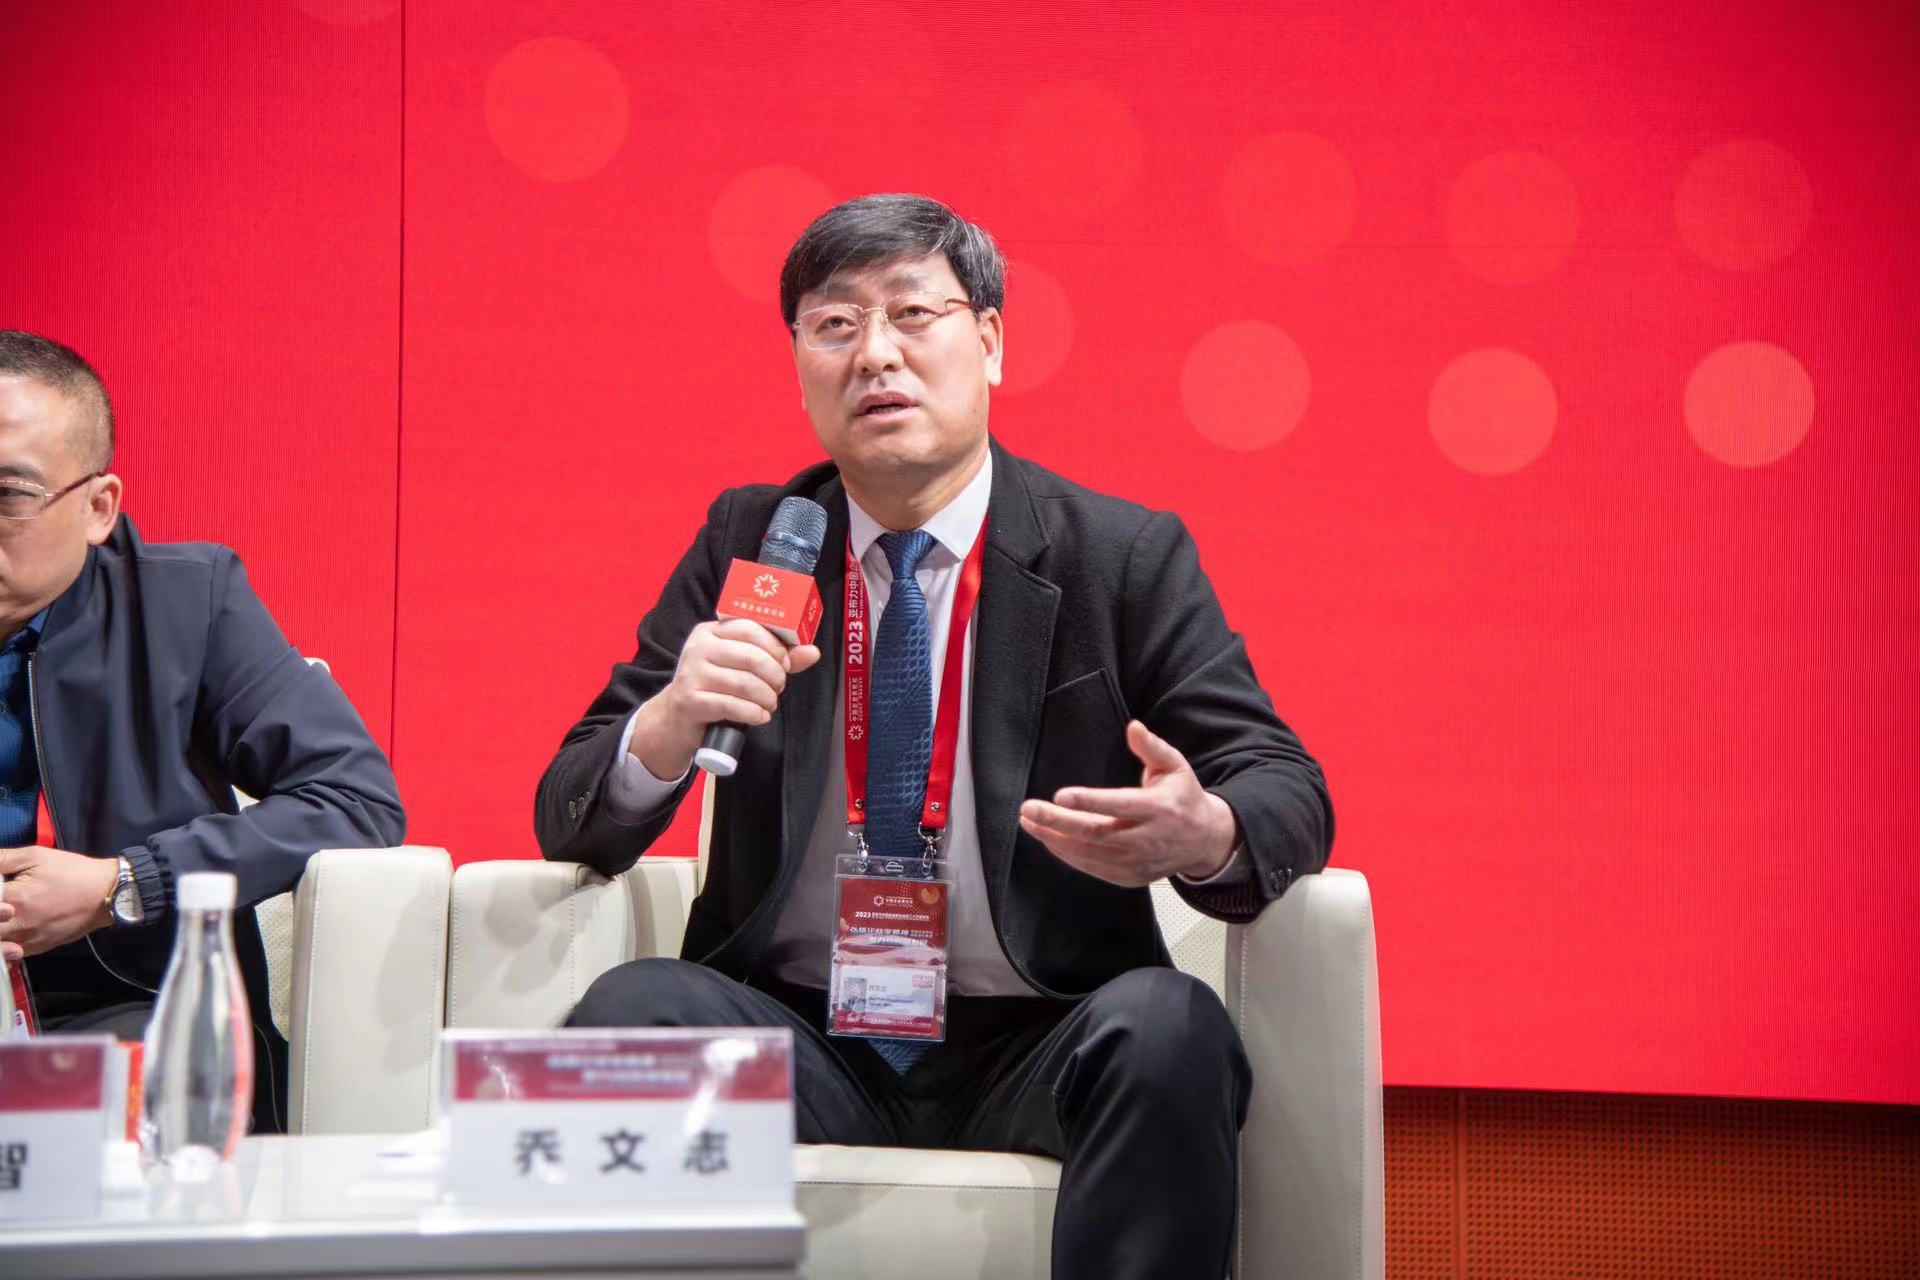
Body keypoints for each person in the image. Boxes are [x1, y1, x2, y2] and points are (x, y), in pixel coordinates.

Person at [535, 195, 1333, 1278]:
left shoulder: (1118, 555)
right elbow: (572, 807)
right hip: (800, 1035)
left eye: (913, 314)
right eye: (835, 324)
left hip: (1037, 1033)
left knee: (1170, 1026)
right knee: (633, 1012)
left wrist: (1206, 832)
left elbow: (1285, 786)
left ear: (991, 342)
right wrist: (670, 721)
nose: (876, 355)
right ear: (800, 363)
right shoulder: (756, 539)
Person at [0, 330, 406, 1131]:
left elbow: (354, 801)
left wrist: (123, 884)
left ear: (98, 507)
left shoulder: (187, 606)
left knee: (149, 1092)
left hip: (128, 1005)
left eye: (8, 494)